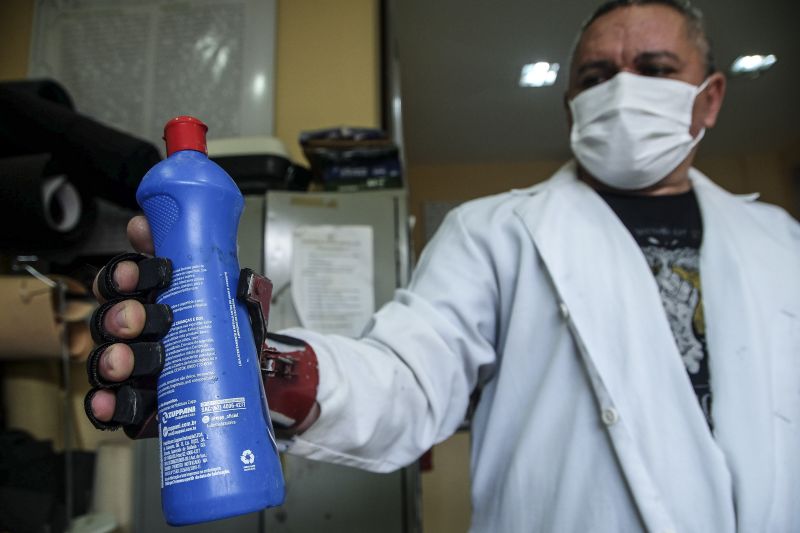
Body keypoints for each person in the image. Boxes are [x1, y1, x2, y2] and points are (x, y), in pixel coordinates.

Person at [84, 0, 800, 531]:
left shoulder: (781, 242)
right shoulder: (496, 232)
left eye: (654, 70)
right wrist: (254, 362)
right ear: (572, 104)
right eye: (597, 74)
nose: (622, 89)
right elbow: (408, 382)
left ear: (708, 97)